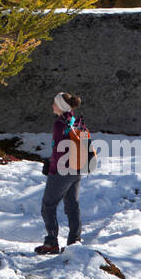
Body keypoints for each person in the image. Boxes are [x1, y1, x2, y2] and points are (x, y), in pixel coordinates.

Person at [36, 92, 84, 255]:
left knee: (48, 206)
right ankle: (74, 242)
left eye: (54, 103)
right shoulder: (77, 122)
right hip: (77, 169)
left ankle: (51, 243)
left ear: (61, 107)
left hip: (62, 170)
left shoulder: (59, 124)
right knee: (72, 205)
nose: (52, 106)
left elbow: (58, 151)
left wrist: (52, 168)